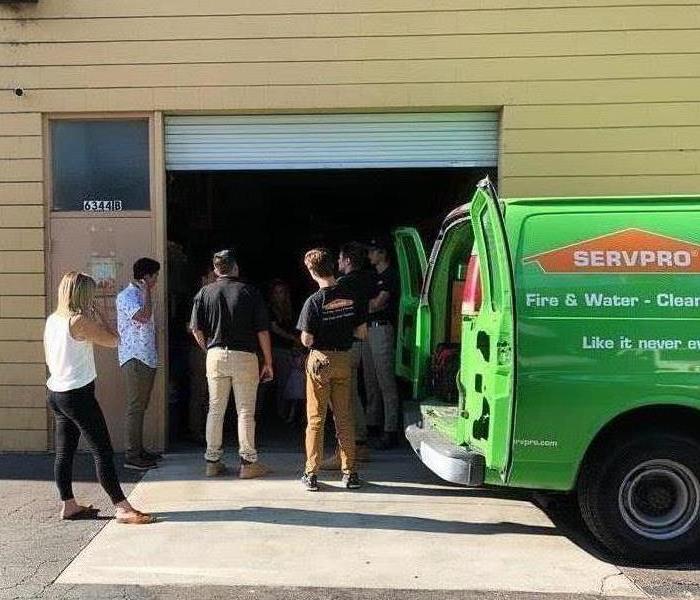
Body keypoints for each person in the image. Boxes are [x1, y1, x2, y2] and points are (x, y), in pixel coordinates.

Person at [44, 272, 152, 524]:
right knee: (102, 450)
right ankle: (122, 507)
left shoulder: (53, 320)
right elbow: (114, 340)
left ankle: (68, 505)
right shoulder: (79, 321)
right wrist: (100, 314)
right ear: (83, 295)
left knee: (64, 451)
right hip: (78, 394)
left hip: (57, 392)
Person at [190, 249, 273, 478]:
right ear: (235, 267)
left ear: (216, 269)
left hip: (215, 354)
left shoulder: (204, 292)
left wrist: (208, 349)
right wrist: (268, 360)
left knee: (215, 409)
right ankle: (248, 462)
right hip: (245, 356)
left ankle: (212, 461)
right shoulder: (250, 291)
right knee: (245, 411)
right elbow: (262, 330)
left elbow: (195, 328)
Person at [297, 248, 367, 491]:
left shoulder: (314, 301)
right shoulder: (350, 296)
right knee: (345, 418)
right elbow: (362, 332)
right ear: (333, 267)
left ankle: (311, 473)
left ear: (311, 271)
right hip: (344, 360)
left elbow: (306, 339)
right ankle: (350, 473)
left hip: (320, 360)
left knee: (316, 419)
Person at [321, 242, 373, 468]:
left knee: (341, 400)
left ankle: (345, 450)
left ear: (348, 261)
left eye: (341, 260)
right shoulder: (367, 281)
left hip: (346, 345)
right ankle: (360, 444)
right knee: (353, 396)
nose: (338, 264)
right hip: (361, 341)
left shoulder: (344, 284)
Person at [116, 257, 161, 470]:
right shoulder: (127, 296)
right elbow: (143, 316)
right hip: (135, 358)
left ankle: (139, 448)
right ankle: (132, 455)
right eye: (155, 276)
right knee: (136, 406)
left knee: (142, 405)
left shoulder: (140, 294)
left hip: (147, 357)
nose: (156, 280)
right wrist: (147, 293)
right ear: (146, 276)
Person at [363, 237, 402, 449]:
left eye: (372, 251)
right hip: (369, 330)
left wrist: (363, 305)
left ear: (382, 253)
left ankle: (390, 429)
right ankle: (372, 423)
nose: (369, 255)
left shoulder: (390, 276)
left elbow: (378, 304)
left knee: (385, 381)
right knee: (370, 381)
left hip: (382, 328)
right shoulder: (373, 277)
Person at [268, 279, 306, 424]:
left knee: (292, 383)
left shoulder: (290, 310)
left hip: (291, 350)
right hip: (278, 349)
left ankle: (289, 414)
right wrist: (292, 338)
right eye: (277, 293)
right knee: (282, 383)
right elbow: (274, 328)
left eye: (282, 292)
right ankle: (280, 413)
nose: (280, 295)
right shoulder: (271, 310)